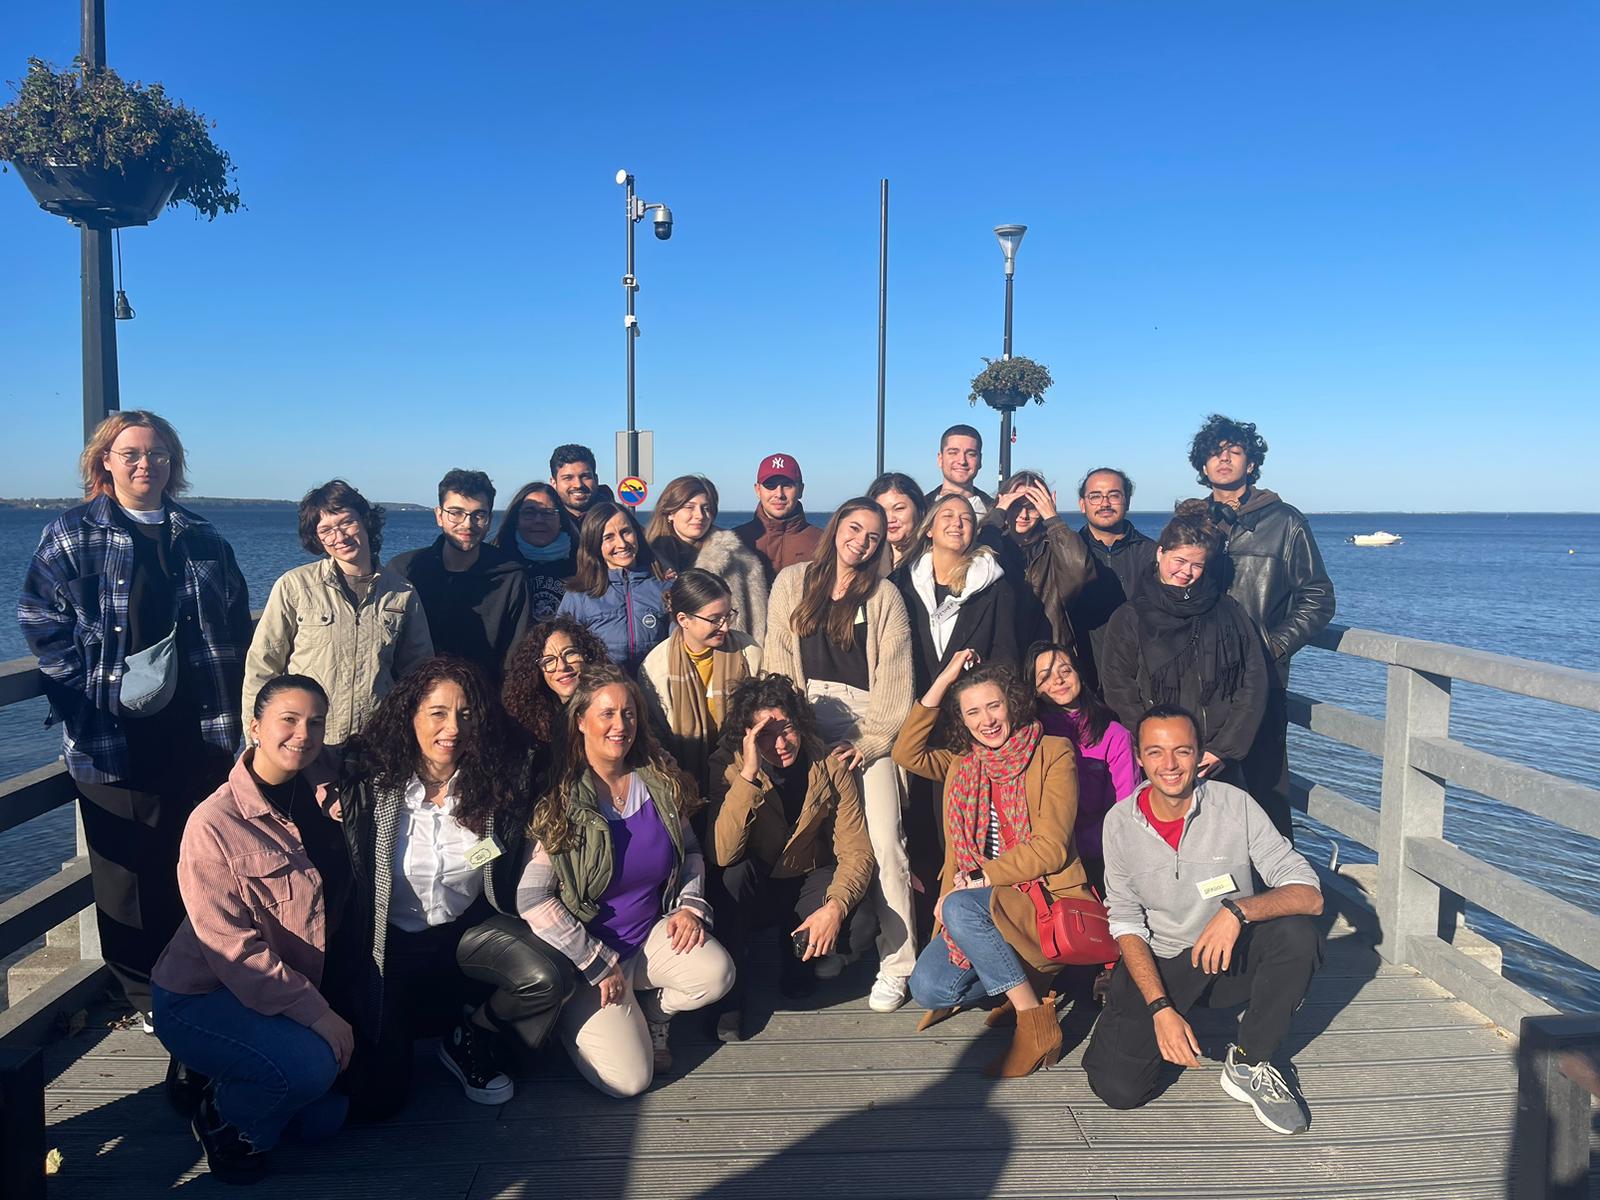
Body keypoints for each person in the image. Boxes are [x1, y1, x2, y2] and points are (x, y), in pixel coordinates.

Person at [18, 410, 252, 1024]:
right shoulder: (72, 534)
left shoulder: (202, 537)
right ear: (105, 462)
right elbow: (40, 620)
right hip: (109, 733)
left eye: (159, 454)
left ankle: (194, 975)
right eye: (132, 454)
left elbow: (235, 620)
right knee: (124, 872)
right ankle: (144, 995)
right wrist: (92, 689)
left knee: (193, 859)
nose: (147, 464)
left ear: (174, 464)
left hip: (196, 732)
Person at [335, 657, 573, 1114]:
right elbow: (315, 761)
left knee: (546, 977)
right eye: (438, 713)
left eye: (466, 714)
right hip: (389, 944)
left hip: (465, 933)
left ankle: (474, 1036)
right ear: (410, 716)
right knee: (378, 1101)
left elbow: (557, 767)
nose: (453, 728)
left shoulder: (500, 782)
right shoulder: (369, 783)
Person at [1084, 705, 1324, 1134]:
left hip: (1228, 957)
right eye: (1155, 752)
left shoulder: (1236, 805)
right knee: (1118, 1089)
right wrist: (1159, 1008)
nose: (1170, 764)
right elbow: (1125, 921)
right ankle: (1160, 1016)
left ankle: (1250, 1062)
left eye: (1182, 751)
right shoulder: (1119, 822)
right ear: (1139, 757)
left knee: (1297, 934)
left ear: (1200, 755)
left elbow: (1309, 894)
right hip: (1164, 960)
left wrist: (1239, 910)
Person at [151, 676, 351, 1183]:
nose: (303, 734)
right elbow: (232, 950)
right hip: (204, 994)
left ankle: (232, 1071)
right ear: (254, 726)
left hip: (288, 985)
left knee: (331, 1118)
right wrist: (318, 1014)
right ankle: (222, 1118)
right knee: (310, 1069)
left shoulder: (329, 788)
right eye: (288, 720)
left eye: (315, 723)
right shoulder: (213, 823)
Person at [517, 667, 735, 1097]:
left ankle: (655, 1010)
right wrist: (596, 962)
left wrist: (689, 906)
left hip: (647, 938)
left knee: (716, 973)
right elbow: (532, 898)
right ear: (581, 721)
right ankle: (569, 1019)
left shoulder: (658, 782)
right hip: (588, 961)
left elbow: (691, 850)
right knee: (630, 1081)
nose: (620, 725)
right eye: (607, 714)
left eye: (629, 713)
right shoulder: (561, 797)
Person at [893, 650, 1091, 1077]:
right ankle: (1023, 975)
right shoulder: (962, 763)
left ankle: (1034, 1021)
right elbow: (906, 751)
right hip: (979, 901)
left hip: (1038, 897)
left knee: (960, 905)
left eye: (994, 706)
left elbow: (1051, 848)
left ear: (1012, 704)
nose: (987, 720)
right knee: (929, 988)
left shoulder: (1053, 753)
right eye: (973, 712)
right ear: (962, 721)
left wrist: (978, 878)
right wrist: (945, 678)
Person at [763, 499, 916, 1013]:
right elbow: (778, 662)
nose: (861, 541)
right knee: (822, 842)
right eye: (854, 528)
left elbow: (896, 682)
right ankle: (837, 944)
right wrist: (796, 734)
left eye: (873, 536)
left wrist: (869, 743)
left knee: (886, 844)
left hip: (868, 728)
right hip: (805, 722)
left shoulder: (885, 596)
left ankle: (897, 963)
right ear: (835, 529)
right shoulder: (792, 582)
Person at [1190, 415, 1335, 841]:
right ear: (1202, 466)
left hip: (1260, 682)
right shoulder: (1193, 520)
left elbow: (1318, 597)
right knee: (1200, 792)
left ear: (1251, 463)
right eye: (1215, 454)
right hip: (1196, 679)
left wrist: (1268, 647)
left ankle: (1277, 879)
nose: (1224, 460)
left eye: (1234, 452)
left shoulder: (1285, 522)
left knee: (1265, 790)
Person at [709, 674, 874, 1041]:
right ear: (747, 736)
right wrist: (749, 775)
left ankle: (797, 952)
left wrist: (835, 908)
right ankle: (730, 999)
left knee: (859, 924)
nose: (780, 744)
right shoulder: (726, 765)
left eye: (786, 729)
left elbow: (856, 849)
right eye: (765, 735)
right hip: (757, 879)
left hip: (806, 874)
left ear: (799, 723)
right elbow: (722, 852)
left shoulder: (828, 763)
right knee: (730, 877)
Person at [243, 480, 433, 747]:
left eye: (346, 522)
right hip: (307, 743)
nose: (340, 537)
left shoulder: (401, 593)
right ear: (317, 538)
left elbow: (419, 673)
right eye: (326, 530)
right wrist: (256, 742)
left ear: (365, 521)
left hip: (376, 744)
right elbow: (262, 666)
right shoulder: (295, 587)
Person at [1099, 501, 1271, 789]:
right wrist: (1153, 748)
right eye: (1179, 560)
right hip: (1159, 762)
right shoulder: (1130, 617)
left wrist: (1224, 749)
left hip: (1216, 759)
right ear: (1160, 553)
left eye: (1197, 565)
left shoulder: (1228, 611)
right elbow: (1119, 689)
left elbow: (1253, 681)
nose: (1186, 572)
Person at [390, 469, 530, 685]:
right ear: (439, 516)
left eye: (478, 515)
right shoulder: (404, 571)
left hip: (485, 699)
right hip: (415, 697)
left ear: (489, 519)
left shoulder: (511, 578)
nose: (467, 524)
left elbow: (514, 659)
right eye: (456, 513)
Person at [639, 568, 763, 803]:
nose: (725, 627)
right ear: (683, 620)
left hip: (744, 774)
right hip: (683, 781)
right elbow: (656, 738)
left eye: (728, 615)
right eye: (714, 619)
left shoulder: (748, 652)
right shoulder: (655, 668)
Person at [895, 491, 1038, 693]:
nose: (957, 523)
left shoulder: (994, 588)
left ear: (974, 533)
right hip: (911, 704)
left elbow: (1005, 659)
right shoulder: (901, 583)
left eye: (967, 519)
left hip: (971, 708)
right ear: (929, 529)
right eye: (948, 516)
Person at [1024, 640, 1139, 890]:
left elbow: (1124, 806)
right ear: (1034, 689)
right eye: (1045, 676)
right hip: (1046, 856)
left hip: (1102, 853)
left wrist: (1085, 846)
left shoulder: (1114, 734)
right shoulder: (1031, 737)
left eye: (1065, 670)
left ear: (1078, 674)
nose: (1058, 680)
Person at [644, 474, 770, 642]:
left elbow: (757, 623)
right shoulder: (645, 560)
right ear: (670, 513)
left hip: (724, 654)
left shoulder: (737, 558)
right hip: (661, 656)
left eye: (706, 508)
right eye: (689, 507)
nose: (700, 515)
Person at [1066, 467, 1156, 693]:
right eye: (1095, 496)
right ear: (1082, 504)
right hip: (1082, 678)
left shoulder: (1152, 554)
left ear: (1127, 501)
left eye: (1114, 495)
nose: (1105, 503)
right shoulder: (1066, 554)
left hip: (1140, 678)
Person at [980, 470, 1092, 646]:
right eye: (1015, 506)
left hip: (1049, 646)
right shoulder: (994, 544)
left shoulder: (1055, 547)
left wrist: (1053, 519)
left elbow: (1079, 573)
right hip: (1003, 648)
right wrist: (997, 515)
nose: (1023, 515)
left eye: (1032, 507)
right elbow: (976, 567)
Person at [558, 501, 670, 674]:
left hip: (656, 685)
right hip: (603, 687)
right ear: (595, 544)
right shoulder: (579, 595)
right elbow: (563, 648)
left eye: (626, 532)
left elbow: (679, 642)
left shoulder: (664, 585)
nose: (622, 543)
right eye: (608, 537)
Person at [500, 615, 610, 754]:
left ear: (587, 655)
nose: (562, 666)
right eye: (548, 661)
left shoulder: (612, 706)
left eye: (570, 653)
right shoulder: (532, 731)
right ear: (537, 672)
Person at [732, 452, 824, 584]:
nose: (779, 494)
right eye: (770, 486)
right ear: (758, 490)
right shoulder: (735, 541)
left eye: (787, 485)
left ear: (801, 490)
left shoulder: (823, 542)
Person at [491, 480, 576, 620]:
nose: (538, 520)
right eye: (529, 513)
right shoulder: (496, 564)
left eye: (547, 513)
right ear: (516, 520)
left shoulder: (582, 562)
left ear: (561, 519)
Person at [866, 471, 928, 573]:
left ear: (918, 509)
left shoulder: (935, 556)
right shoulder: (866, 557)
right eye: (882, 511)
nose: (890, 519)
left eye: (899, 508)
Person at [925, 424, 993, 517]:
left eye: (971, 454)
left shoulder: (995, 511)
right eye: (953, 453)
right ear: (940, 459)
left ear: (980, 460)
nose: (962, 461)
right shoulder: (920, 509)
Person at [549, 444, 600, 538]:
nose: (578, 485)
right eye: (568, 478)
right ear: (554, 483)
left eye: (585, 477)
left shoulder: (617, 521)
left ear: (596, 480)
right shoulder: (543, 524)